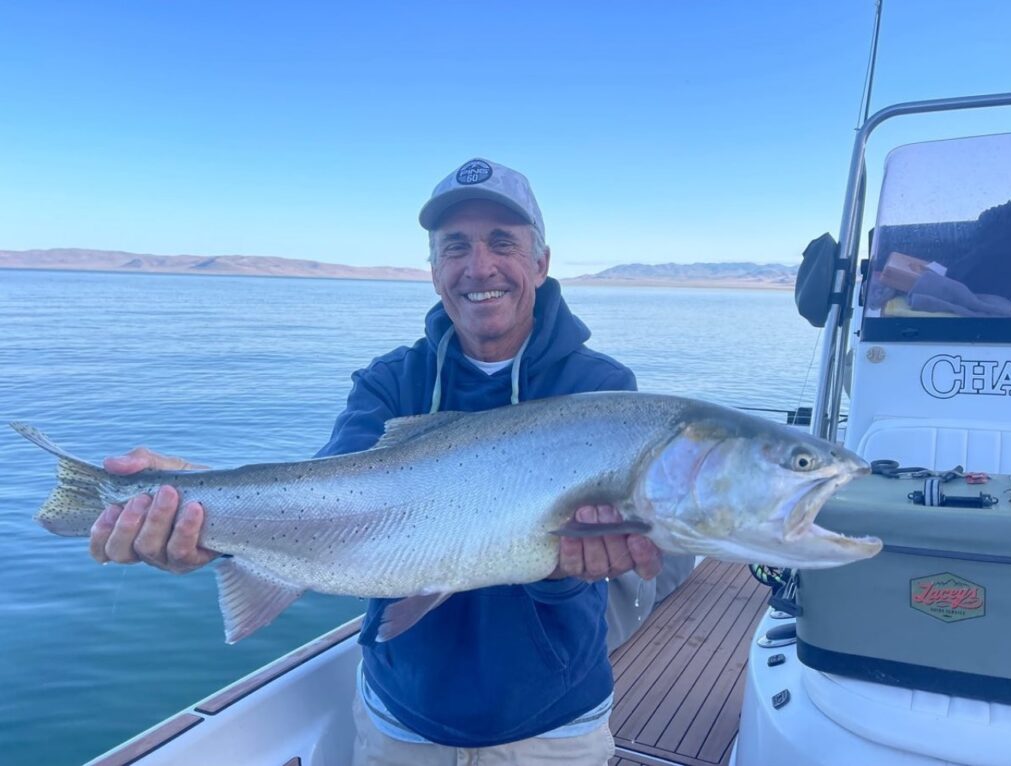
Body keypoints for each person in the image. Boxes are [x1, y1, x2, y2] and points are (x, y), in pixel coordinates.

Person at [89, 158, 672, 764]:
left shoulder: (600, 390)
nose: (479, 267)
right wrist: (192, 501)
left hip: (554, 724)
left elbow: (599, 555)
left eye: (503, 242)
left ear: (541, 262)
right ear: (433, 269)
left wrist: (564, 573)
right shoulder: (391, 380)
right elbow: (328, 495)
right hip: (401, 718)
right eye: (455, 247)